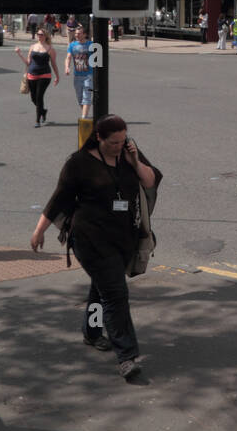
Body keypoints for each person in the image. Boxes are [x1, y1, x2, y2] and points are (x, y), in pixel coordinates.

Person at [30, 115, 161, 382]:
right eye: (113, 142)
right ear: (99, 138)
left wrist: (135, 161)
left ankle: (91, 332)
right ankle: (127, 357)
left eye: (123, 140)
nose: (119, 146)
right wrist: (39, 230)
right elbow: (58, 199)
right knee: (116, 294)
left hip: (123, 238)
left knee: (101, 289)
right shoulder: (79, 164)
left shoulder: (129, 154)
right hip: (90, 240)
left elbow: (150, 182)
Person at [16, 27, 59, 127]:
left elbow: (54, 64)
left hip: (45, 75)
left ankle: (37, 120)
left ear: (45, 36)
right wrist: (19, 54)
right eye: (38, 34)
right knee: (33, 98)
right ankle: (43, 111)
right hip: (32, 75)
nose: (39, 36)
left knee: (39, 97)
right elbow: (28, 63)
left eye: (41, 34)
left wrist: (57, 76)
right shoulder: (32, 47)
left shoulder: (50, 49)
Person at [65, 25, 94, 119]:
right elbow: (68, 57)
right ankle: (85, 115)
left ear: (84, 34)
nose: (77, 35)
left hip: (89, 75)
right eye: (76, 33)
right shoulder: (72, 45)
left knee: (87, 97)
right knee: (80, 98)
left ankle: (84, 118)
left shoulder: (91, 45)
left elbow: (98, 60)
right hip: (77, 76)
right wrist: (67, 67)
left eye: (79, 33)